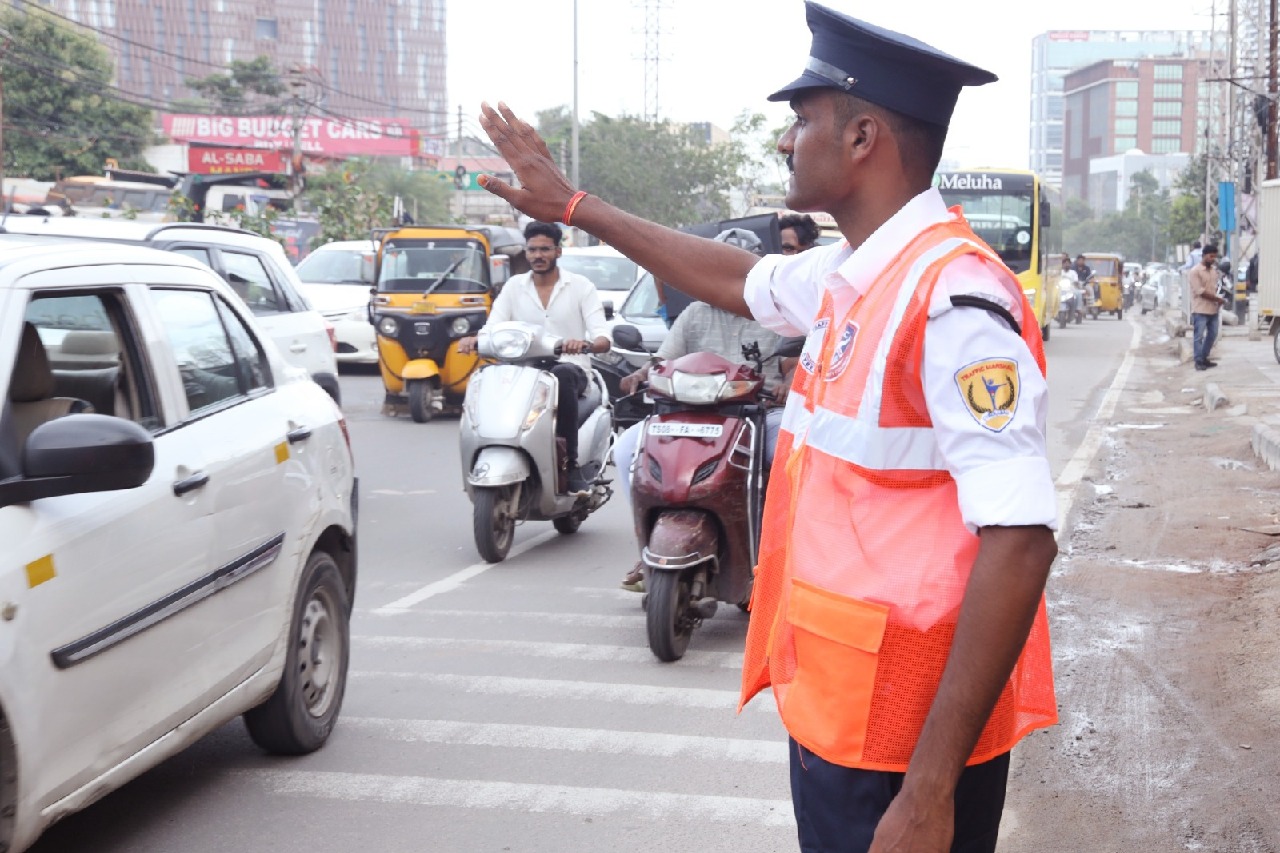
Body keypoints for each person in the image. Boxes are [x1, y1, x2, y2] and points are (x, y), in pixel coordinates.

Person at [475, 3, 1058, 851]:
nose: (786, 141)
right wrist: (575, 206)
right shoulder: (853, 272)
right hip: (840, 709)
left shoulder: (953, 300)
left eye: (802, 120)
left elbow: (1021, 539)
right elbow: (732, 276)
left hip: (906, 742)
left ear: (863, 139)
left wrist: (930, 792)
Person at [615, 227, 790, 592]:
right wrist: (642, 373)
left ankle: (780, 552)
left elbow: (797, 363)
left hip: (759, 414)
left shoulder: (778, 314)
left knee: (787, 457)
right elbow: (664, 360)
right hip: (688, 415)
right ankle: (648, 546)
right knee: (627, 450)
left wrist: (787, 385)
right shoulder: (695, 313)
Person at [458, 221, 610, 491]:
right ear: (526, 253)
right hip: (521, 372)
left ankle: (569, 463)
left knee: (561, 376)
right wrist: (475, 340)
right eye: (532, 250)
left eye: (545, 249)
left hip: (570, 369)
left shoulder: (580, 286)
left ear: (558, 252)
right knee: (485, 376)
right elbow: (493, 328)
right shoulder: (514, 286)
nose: (538, 255)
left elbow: (602, 338)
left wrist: (584, 344)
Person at [1188, 243, 1224, 371]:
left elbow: (1215, 288)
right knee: (1198, 336)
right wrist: (1217, 299)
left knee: (1213, 334)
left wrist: (1218, 299)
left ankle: (1204, 357)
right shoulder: (1195, 272)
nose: (1212, 259)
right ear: (1203, 256)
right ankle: (1198, 361)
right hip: (1200, 309)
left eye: (1214, 257)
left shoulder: (1213, 271)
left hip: (1213, 309)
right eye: (1210, 256)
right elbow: (1200, 291)